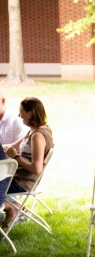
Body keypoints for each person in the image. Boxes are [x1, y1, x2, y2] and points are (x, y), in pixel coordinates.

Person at [3, 97, 54, 227]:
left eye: (21, 112)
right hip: (15, 177)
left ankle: (11, 208)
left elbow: (37, 168)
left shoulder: (38, 136)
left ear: (30, 113)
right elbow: (12, 147)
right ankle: (13, 206)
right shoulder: (34, 130)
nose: (19, 116)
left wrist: (16, 157)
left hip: (21, 182)